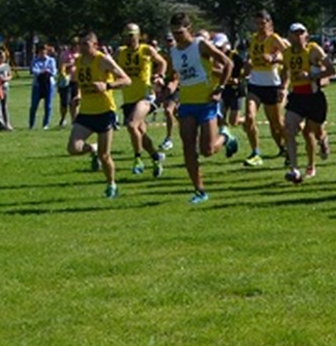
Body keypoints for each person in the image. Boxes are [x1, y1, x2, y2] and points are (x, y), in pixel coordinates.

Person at [166, 13, 237, 204]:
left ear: (189, 29)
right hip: (187, 104)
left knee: (207, 150)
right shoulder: (173, 52)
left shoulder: (200, 45)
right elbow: (174, 77)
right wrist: (167, 86)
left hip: (206, 103)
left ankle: (226, 137)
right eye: (173, 33)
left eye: (180, 32)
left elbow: (228, 63)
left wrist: (220, 88)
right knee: (188, 147)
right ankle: (199, 190)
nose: (177, 37)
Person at [66, 33, 131, 199]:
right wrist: (78, 95)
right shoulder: (79, 61)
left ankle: (111, 184)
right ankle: (92, 149)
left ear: (95, 44)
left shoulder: (103, 60)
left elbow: (126, 80)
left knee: (105, 156)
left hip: (104, 112)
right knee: (73, 148)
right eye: (80, 44)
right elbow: (80, 82)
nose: (82, 47)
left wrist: (107, 85)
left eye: (86, 44)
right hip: (86, 112)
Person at [115, 24, 168, 179]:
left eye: (132, 35)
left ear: (138, 36)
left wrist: (159, 76)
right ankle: (156, 157)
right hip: (128, 97)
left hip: (145, 96)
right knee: (140, 133)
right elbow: (110, 67)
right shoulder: (120, 52)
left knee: (131, 125)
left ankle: (137, 159)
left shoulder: (146, 50)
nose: (129, 38)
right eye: (127, 35)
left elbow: (162, 63)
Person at [281, 22, 331, 182]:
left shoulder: (313, 50)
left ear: (306, 35)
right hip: (297, 96)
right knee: (289, 128)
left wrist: (311, 76)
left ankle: (322, 142)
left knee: (312, 132)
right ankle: (294, 169)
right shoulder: (286, 53)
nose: (298, 37)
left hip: (314, 97)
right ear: (289, 36)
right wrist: (283, 88)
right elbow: (286, 72)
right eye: (295, 33)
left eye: (301, 33)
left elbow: (330, 70)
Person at [240, 11, 289, 167]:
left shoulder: (274, 39)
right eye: (257, 23)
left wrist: (273, 58)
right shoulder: (253, 39)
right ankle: (256, 153)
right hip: (255, 84)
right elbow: (251, 58)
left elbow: (287, 56)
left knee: (277, 124)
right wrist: (248, 64)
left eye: (263, 23)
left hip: (272, 84)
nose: (260, 26)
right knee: (249, 117)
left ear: (269, 23)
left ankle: (288, 149)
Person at [28, 43, 60, 129]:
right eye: (41, 51)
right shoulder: (35, 60)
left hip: (49, 85)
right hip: (37, 85)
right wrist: (43, 71)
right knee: (34, 106)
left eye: (44, 51)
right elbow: (34, 70)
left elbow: (54, 71)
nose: (42, 53)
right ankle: (31, 124)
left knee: (48, 106)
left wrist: (45, 71)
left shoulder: (51, 60)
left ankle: (45, 124)